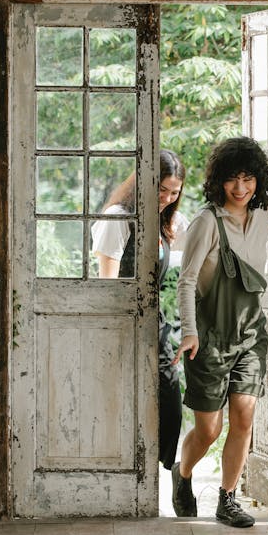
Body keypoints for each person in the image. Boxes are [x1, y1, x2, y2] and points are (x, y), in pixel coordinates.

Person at [172, 136, 268, 527]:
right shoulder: (206, 221)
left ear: (258, 180)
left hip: (251, 335)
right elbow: (186, 281)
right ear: (220, 181)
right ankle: (183, 473)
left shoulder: (263, 217)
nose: (241, 188)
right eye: (233, 180)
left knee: (244, 415)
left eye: (248, 179)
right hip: (210, 339)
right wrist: (190, 332)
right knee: (209, 430)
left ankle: (228, 500)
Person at [91, 150, 188, 470]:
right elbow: (108, 283)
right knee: (119, 403)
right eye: (162, 189)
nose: (167, 198)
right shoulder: (119, 216)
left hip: (154, 321)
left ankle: (165, 469)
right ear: (143, 182)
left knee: (170, 396)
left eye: (174, 192)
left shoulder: (165, 220)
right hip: (121, 322)